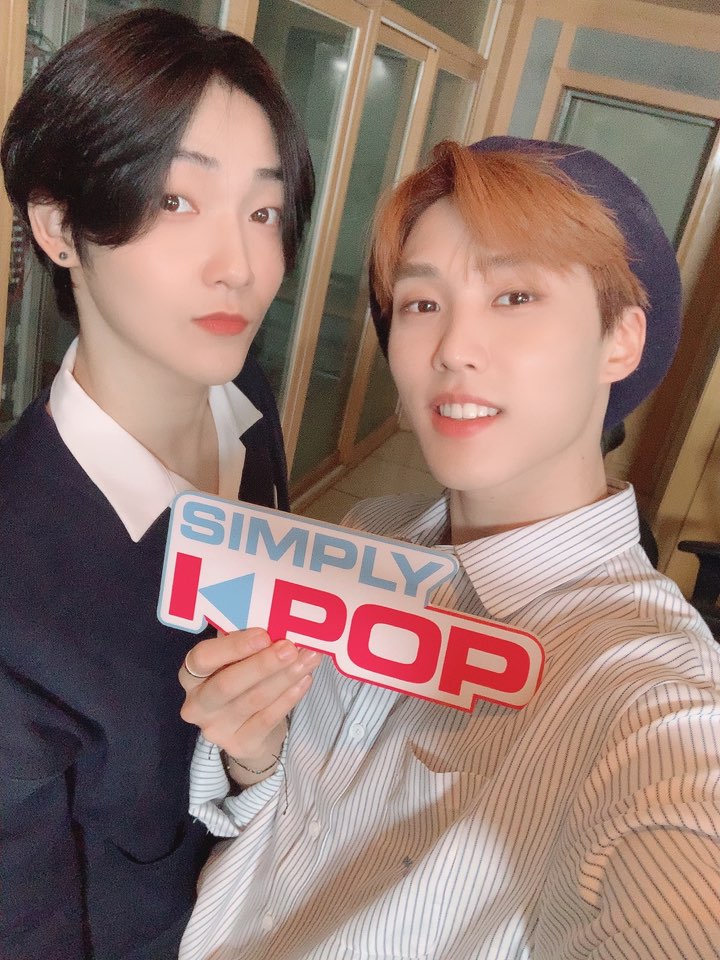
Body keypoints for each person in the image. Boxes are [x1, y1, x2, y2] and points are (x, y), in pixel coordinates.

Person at [178, 139, 720, 959]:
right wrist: (256, 755)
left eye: (515, 295)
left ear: (619, 339)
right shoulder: (370, 532)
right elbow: (295, 823)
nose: (453, 348)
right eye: (423, 303)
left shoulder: (650, 688)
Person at [0, 9, 316, 958]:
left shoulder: (247, 403)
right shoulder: (17, 582)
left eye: (263, 212)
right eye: (177, 201)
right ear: (59, 226)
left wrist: (254, 762)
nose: (241, 268)